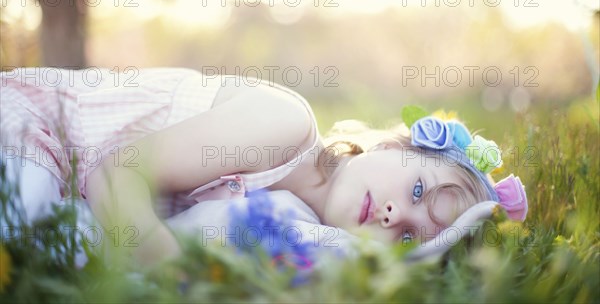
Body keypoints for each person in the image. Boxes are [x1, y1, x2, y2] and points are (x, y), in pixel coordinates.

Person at [0, 67, 528, 268]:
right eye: (416, 187)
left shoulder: (295, 221)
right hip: (33, 129)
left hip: (73, 180)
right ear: (392, 146)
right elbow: (116, 175)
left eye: (412, 238)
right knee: (33, 237)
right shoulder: (287, 126)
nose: (394, 214)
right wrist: (171, 276)